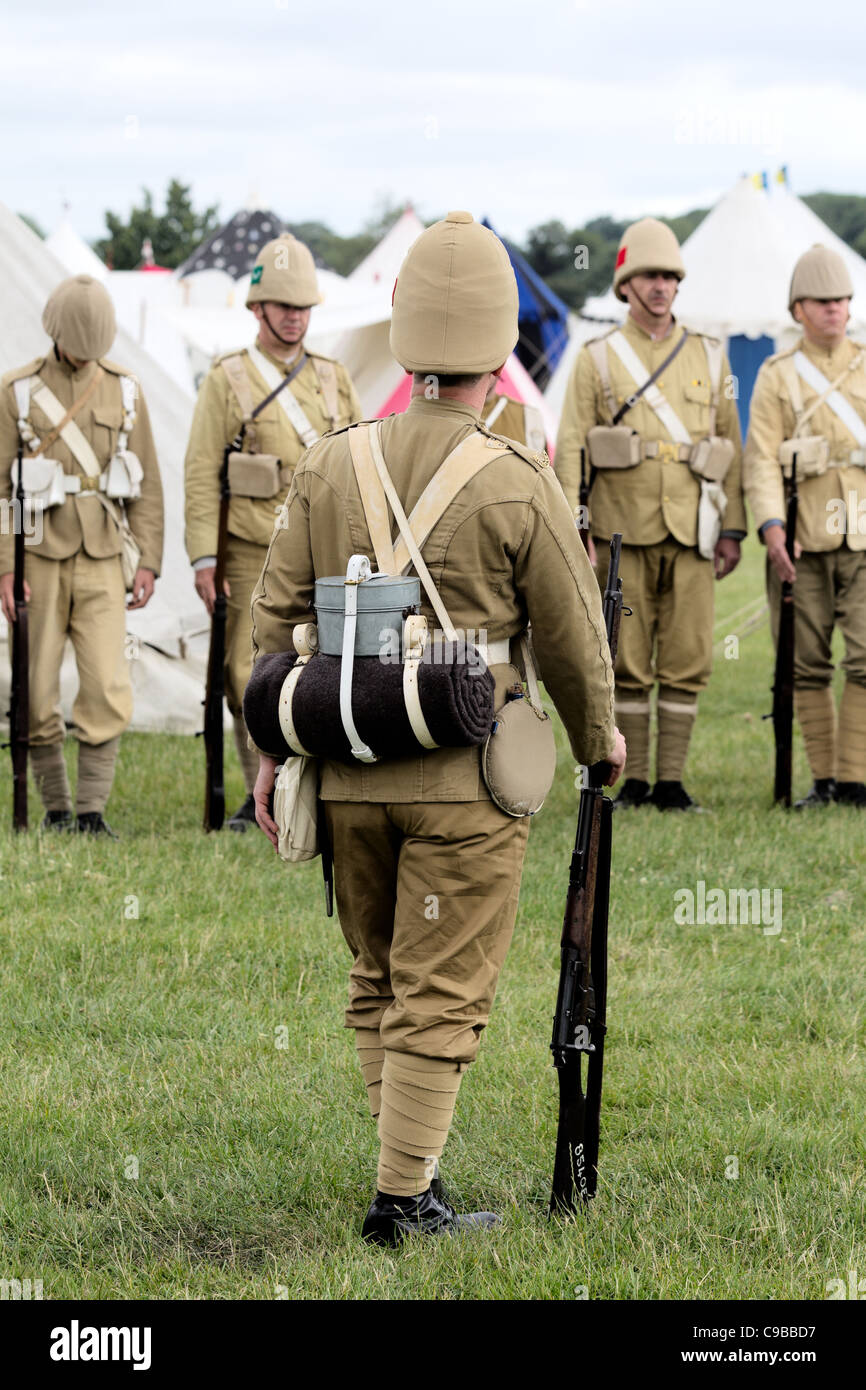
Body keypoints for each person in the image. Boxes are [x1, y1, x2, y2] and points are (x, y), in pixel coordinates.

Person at [247, 211, 625, 1245]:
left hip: (344, 762)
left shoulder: (330, 462)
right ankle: (402, 1200)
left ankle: (405, 1170)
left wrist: (270, 750)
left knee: (377, 977)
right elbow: (569, 637)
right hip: (465, 777)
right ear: (500, 343)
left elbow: (268, 623)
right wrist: (600, 741)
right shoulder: (516, 477)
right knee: (442, 988)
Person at [555, 218, 747, 811]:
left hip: (693, 527)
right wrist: (576, 527)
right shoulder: (598, 358)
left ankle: (671, 781)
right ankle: (633, 781)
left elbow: (730, 445)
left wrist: (734, 528)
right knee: (628, 661)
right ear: (625, 284)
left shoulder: (712, 357)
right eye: (648, 276)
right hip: (620, 530)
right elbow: (571, 448)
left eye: (668, 276)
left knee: (688, 657)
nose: (660, 286)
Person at [184, 233, 362, 830]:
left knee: (331, 666)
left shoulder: (335, 379)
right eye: (283, 305)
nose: (294, 317)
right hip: (251, 553)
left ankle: (323, 780)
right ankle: (253, 789)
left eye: (303, 306)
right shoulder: (226, 378)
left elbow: (363, 469)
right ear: (257, 308)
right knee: (246, 673)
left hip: (328, 554)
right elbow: (202, 472)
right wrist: (203, 558)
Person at [0, 274, 164, 835]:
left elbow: (146, 486)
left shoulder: (126, 390)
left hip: (101, 556)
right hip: (38, 558)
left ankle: (91, 811)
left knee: (106, 684)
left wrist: (148, 561)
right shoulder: (17, 392)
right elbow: (2, 489)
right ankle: (54, 809)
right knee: (37, 687)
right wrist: (5, 564)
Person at [744, 244, 866, 807]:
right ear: (799, 308)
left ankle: (856, 778)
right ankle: (823, 780)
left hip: (863, 533)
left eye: (842, 299)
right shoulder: (776, 376)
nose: (835, 310)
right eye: (822, 301)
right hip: (804, 537)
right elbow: (762, 457)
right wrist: (772, 527)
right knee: (807, 663)